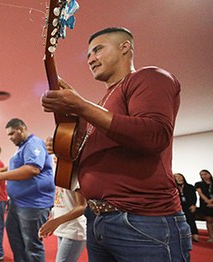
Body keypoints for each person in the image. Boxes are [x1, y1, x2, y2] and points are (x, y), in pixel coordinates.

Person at [41, 27, 191, 261]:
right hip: (97, 217)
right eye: (88, 54)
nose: (90, 59)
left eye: (98, 49)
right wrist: (65, 145)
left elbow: (155, 135)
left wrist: (81, 106)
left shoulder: (150, 76)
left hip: (142, 221)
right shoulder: (102, 103)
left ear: (125, 47)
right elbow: (99, 153)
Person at [0, 118, 55, 262]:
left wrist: (1, 176)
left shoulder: (33, 143)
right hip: (18, 203)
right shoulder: (21, 149)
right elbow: (15, 169)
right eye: (8, 135)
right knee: (16, 240)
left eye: (12, 134)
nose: (10, 138)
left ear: (21, 129)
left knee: (32, 245)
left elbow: (33, 169)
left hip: (33, 204)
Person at [173, 173, 199, 242]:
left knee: (191, 220)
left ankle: (194, 235)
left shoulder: (190, 187)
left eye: (180, 176)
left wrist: (194, 205)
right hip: (178, 206)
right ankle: (182, 236)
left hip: (189, 205)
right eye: (177, 177)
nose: (179, 178)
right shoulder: (173, 188)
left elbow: (194, 197)